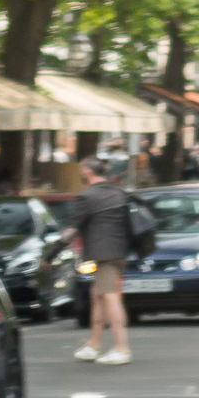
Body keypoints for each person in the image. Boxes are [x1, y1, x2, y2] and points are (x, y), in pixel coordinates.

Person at [65, 157, 133, 366]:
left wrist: (50, 256)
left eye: (81, 169)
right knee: (98, 294)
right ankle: (93, 345)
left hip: (104, 255)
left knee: (110, 296)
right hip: (120, 251)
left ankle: (121, 347)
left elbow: (72, 228)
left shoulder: (87, 196)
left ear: (87, 171)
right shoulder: (118, 191)